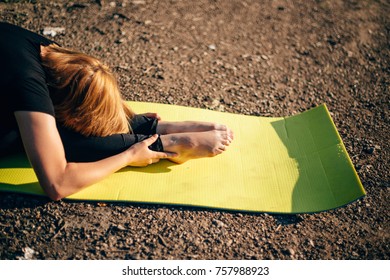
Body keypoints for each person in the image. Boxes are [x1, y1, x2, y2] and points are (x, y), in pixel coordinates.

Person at [0, 22, 233, 201]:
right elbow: (57, 184)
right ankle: (161, 143)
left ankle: (151, 129)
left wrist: (127, 117)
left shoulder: (51, 56)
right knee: (57, 141)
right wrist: (129, 156)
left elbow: (89, 78)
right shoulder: (29, 84)